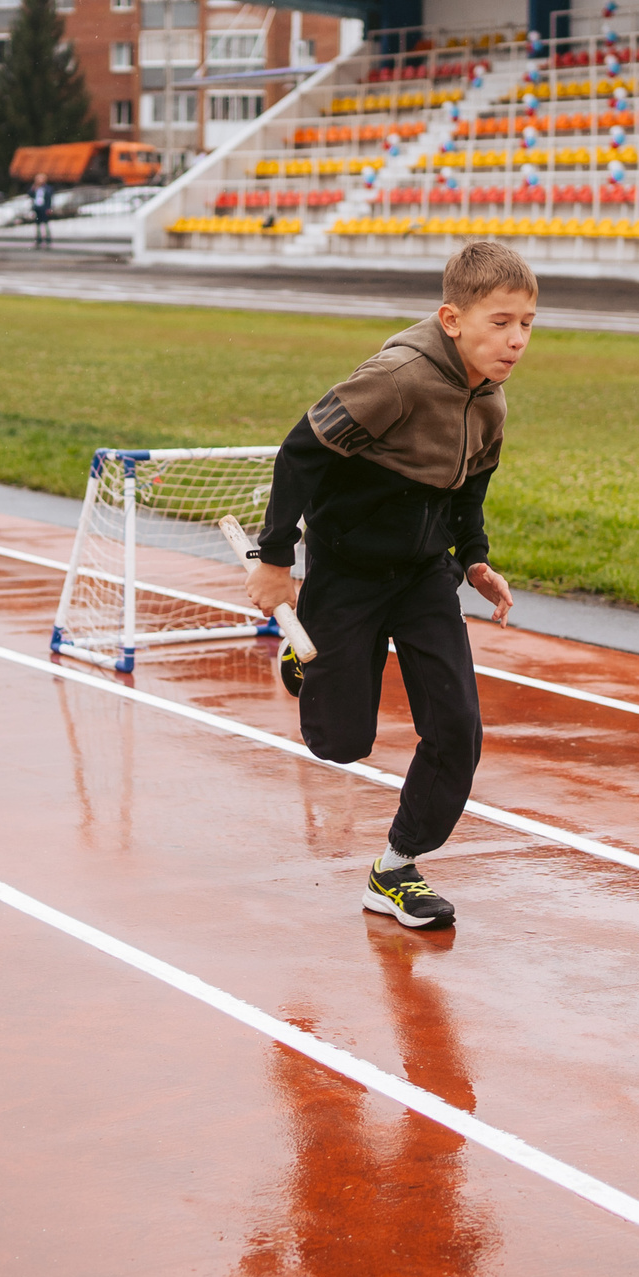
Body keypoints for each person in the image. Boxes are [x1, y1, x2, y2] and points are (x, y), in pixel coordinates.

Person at [245, 240, 533, 930]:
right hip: (349, 569)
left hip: (425, 574)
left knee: (458, 725)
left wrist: (473, 558)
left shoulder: (490, 402)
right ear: (452, 317)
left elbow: (470, 487)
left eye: (527, 322)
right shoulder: (397, 379)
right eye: (500, 321)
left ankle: (397, 867)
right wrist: (276, 560)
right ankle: (305, 659)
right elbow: (301, 450)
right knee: (340, 743)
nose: (516, 339)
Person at [30, 172, 54, 249]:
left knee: (46, 224)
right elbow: (30, 194)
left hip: (44, 208)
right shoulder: (35, 188)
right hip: (37, 208)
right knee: (38, 224)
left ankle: (48, 240)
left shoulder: (47, 188)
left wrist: (49, 208)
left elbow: (49, 198)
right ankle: (38, 240)